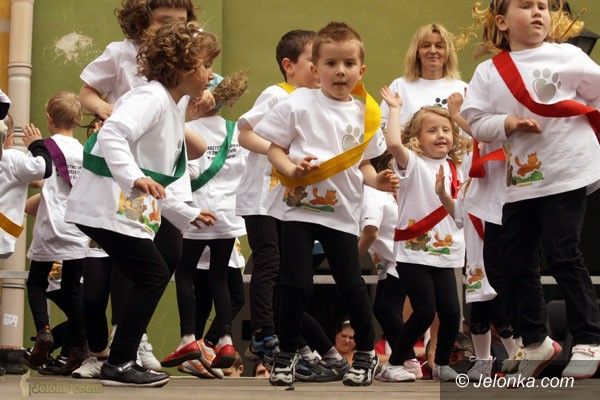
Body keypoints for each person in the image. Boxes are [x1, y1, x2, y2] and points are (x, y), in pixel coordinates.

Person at [65, 21, 220, 387]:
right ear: (183, 68)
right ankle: (119, 363)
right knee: (151, 275)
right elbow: (114, 133)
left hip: (118, 209)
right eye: (206, 66)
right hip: (105, 206)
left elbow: (160, 178)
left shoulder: (168, 106)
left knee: (152, 272)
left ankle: (120, 360)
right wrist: (132, 177)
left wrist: (186, 211)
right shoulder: (150, 98)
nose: (211, 75)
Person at [461, 0, 600, 380]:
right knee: (511, 262)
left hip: (567, 170)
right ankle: (536, 339)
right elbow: (476, 121)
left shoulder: (568, 56)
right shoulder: (489, 72)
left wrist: (583, 129)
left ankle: (589, 339)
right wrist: (507, 123)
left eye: (543, 6)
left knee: (562, 252)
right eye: (526, 5)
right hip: (522, 179)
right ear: (502, 21)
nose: (538, 11)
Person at [254, 22, 397, 387]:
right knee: (295, 285)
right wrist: (290, 168)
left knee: (350, 284)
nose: (340, 71)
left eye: (349, 63)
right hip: (298, 210)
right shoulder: (297, 103)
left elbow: (365, 165)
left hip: (342, 215)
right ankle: (287, 355)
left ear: (361, 70)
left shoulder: (366, 113)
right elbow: (274, 148)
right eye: (331, 63)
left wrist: (377, 182)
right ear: (315, 70)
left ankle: (365, 353)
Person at [237, 29, 349, 382]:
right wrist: (282, 151)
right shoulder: (278, 94)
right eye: (313, 61)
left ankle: (312, 348)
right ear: (289, 65)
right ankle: (264, 334)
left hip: (287, 203)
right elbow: (245, 133)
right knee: (270, 265)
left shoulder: (316, 102)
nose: (319, 68)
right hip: (261, 198)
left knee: (291, 282)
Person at [381, 86, 470, 382]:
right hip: (414, 252)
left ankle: (441, 363)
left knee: (451, 313)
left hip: (447, 252)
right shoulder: (412, 163)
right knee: (424, 311)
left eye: (446, 129)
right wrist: (394, 108)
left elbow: (458, 213)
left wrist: (443, 195)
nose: (441, 135)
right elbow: (393, 143)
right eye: (432, 130)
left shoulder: (456, 168)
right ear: (417, 138)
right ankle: (394, 362)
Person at [164, 71, 248, 374]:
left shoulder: (187, 131)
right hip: (228, 215)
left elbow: (189, 173)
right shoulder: (236, 131)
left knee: (185, 275)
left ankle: (188, 338)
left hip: (197, 214)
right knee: (219, 277)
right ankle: (225, 339)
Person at [25, 92, 89, 375]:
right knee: (72, 287)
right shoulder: (84, 152)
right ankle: (80, 344)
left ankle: (44, 331)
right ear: (79, 119)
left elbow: (31, 173)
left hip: (50, 226)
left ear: (49, 119)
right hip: (76, 228)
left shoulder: (45, 148)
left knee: (36, 282)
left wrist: (33, 146)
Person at [358, 151, 423, 380]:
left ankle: (408, 360)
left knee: (387, 309)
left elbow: (371, 231)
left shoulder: (373, 193)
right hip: (394, 260)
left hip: (399, 260)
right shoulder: (392, 194)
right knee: (383, 308)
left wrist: (350, 260)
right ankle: (407, 359)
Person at [1, 120, 52, 260]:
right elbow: (44, 168)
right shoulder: (12, 158)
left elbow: (34, 181)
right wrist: (37, 144)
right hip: (3, 233)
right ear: (8, 138)